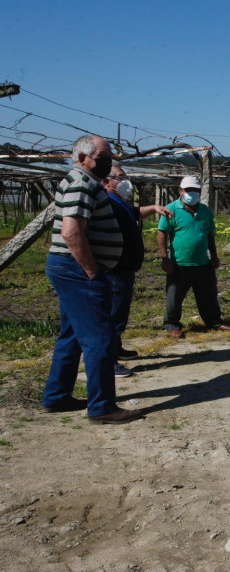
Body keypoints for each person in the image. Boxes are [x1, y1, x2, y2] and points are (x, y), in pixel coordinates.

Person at [42, 135, 141, 424]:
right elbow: (72, 233)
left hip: (70, 268)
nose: (109, 160)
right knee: (99, 337)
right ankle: (102, 407)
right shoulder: (81, 183)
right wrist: (91, 270)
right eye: (104, 155)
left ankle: (57, 396)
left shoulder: (81, 181)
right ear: (85, 157)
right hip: (77, 270)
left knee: (71, 335)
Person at [103, 165, 173, 377]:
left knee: (120, 312)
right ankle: (108, 362)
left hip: (124, 268)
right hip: (115, 268)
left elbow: (135, 214)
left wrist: (153, 208)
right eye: (121, 177)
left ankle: (116, 349)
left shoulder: (119, 202)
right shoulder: (106, 202)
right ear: (107, 181)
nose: (125, 181)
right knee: (113, 315)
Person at [157, 176, 230, 338]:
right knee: (174, 297)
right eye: (188, 190)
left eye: (196, 190)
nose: (192, 193)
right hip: (179, 263)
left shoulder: (204, 210)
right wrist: (164, 258)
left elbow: (209, 235)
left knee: (208, 294)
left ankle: (214, 321)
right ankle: (172, 325)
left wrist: (214, 255)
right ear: (180, 191)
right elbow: (162, 234)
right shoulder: (171, 209)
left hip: (202, 262)